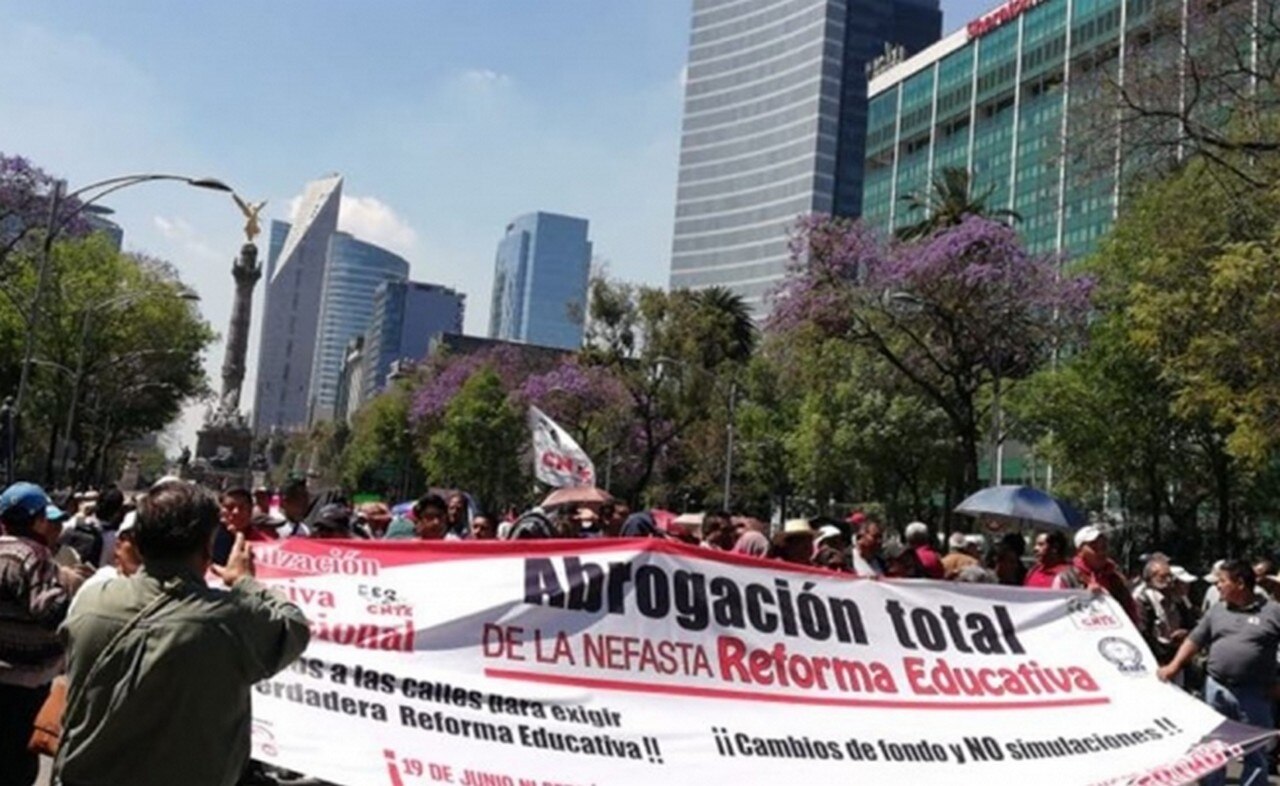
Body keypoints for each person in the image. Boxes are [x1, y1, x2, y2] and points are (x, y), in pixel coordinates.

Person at [56, 481, 310, 786]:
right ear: (207, 547)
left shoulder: (92, 600)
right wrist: (245, 582)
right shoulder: (230, 621)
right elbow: (293, 626)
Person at [1158, 559, 1280, 786]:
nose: (1217, 586)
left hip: (1255, 693)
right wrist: (1173, 666)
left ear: (1240, 583)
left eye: (1222, 581)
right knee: (1213, 747)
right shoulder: (1217, 611)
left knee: (1254, 750)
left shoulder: (1273, 611)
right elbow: (1194, 640)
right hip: (1216, 688)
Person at [0, 482, 84, 786]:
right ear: (36, 520)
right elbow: (50, 612)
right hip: (21, 682)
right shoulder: (32, 555)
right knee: (16, 765)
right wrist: (74, 589)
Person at [1054, 526, 1139, 624]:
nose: (1101, 552)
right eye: (1094, 547)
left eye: (1104, 546)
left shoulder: (1116, 579)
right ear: (1079, 551)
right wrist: (1084, 598)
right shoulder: (1066, 579)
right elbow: (1057, 616)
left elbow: (1131, 615)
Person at [1134, 555, 1193, 676]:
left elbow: (1191, 623)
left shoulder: (1178, 599)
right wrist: (1161, 653)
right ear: (1150, 579)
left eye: (1170, 576)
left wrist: (1186, 633)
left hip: (1178, 657)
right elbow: (1143, 632)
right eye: (1163, 577)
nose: (1169, 580)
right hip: (1158, 660)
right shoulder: (1144, 601)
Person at [213, 488, 278, 564]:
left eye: (242, 507)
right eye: (229, 507)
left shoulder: (265, 544)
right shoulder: (208, 540)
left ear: (250, 511)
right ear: (220, 511)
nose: (236, 512)